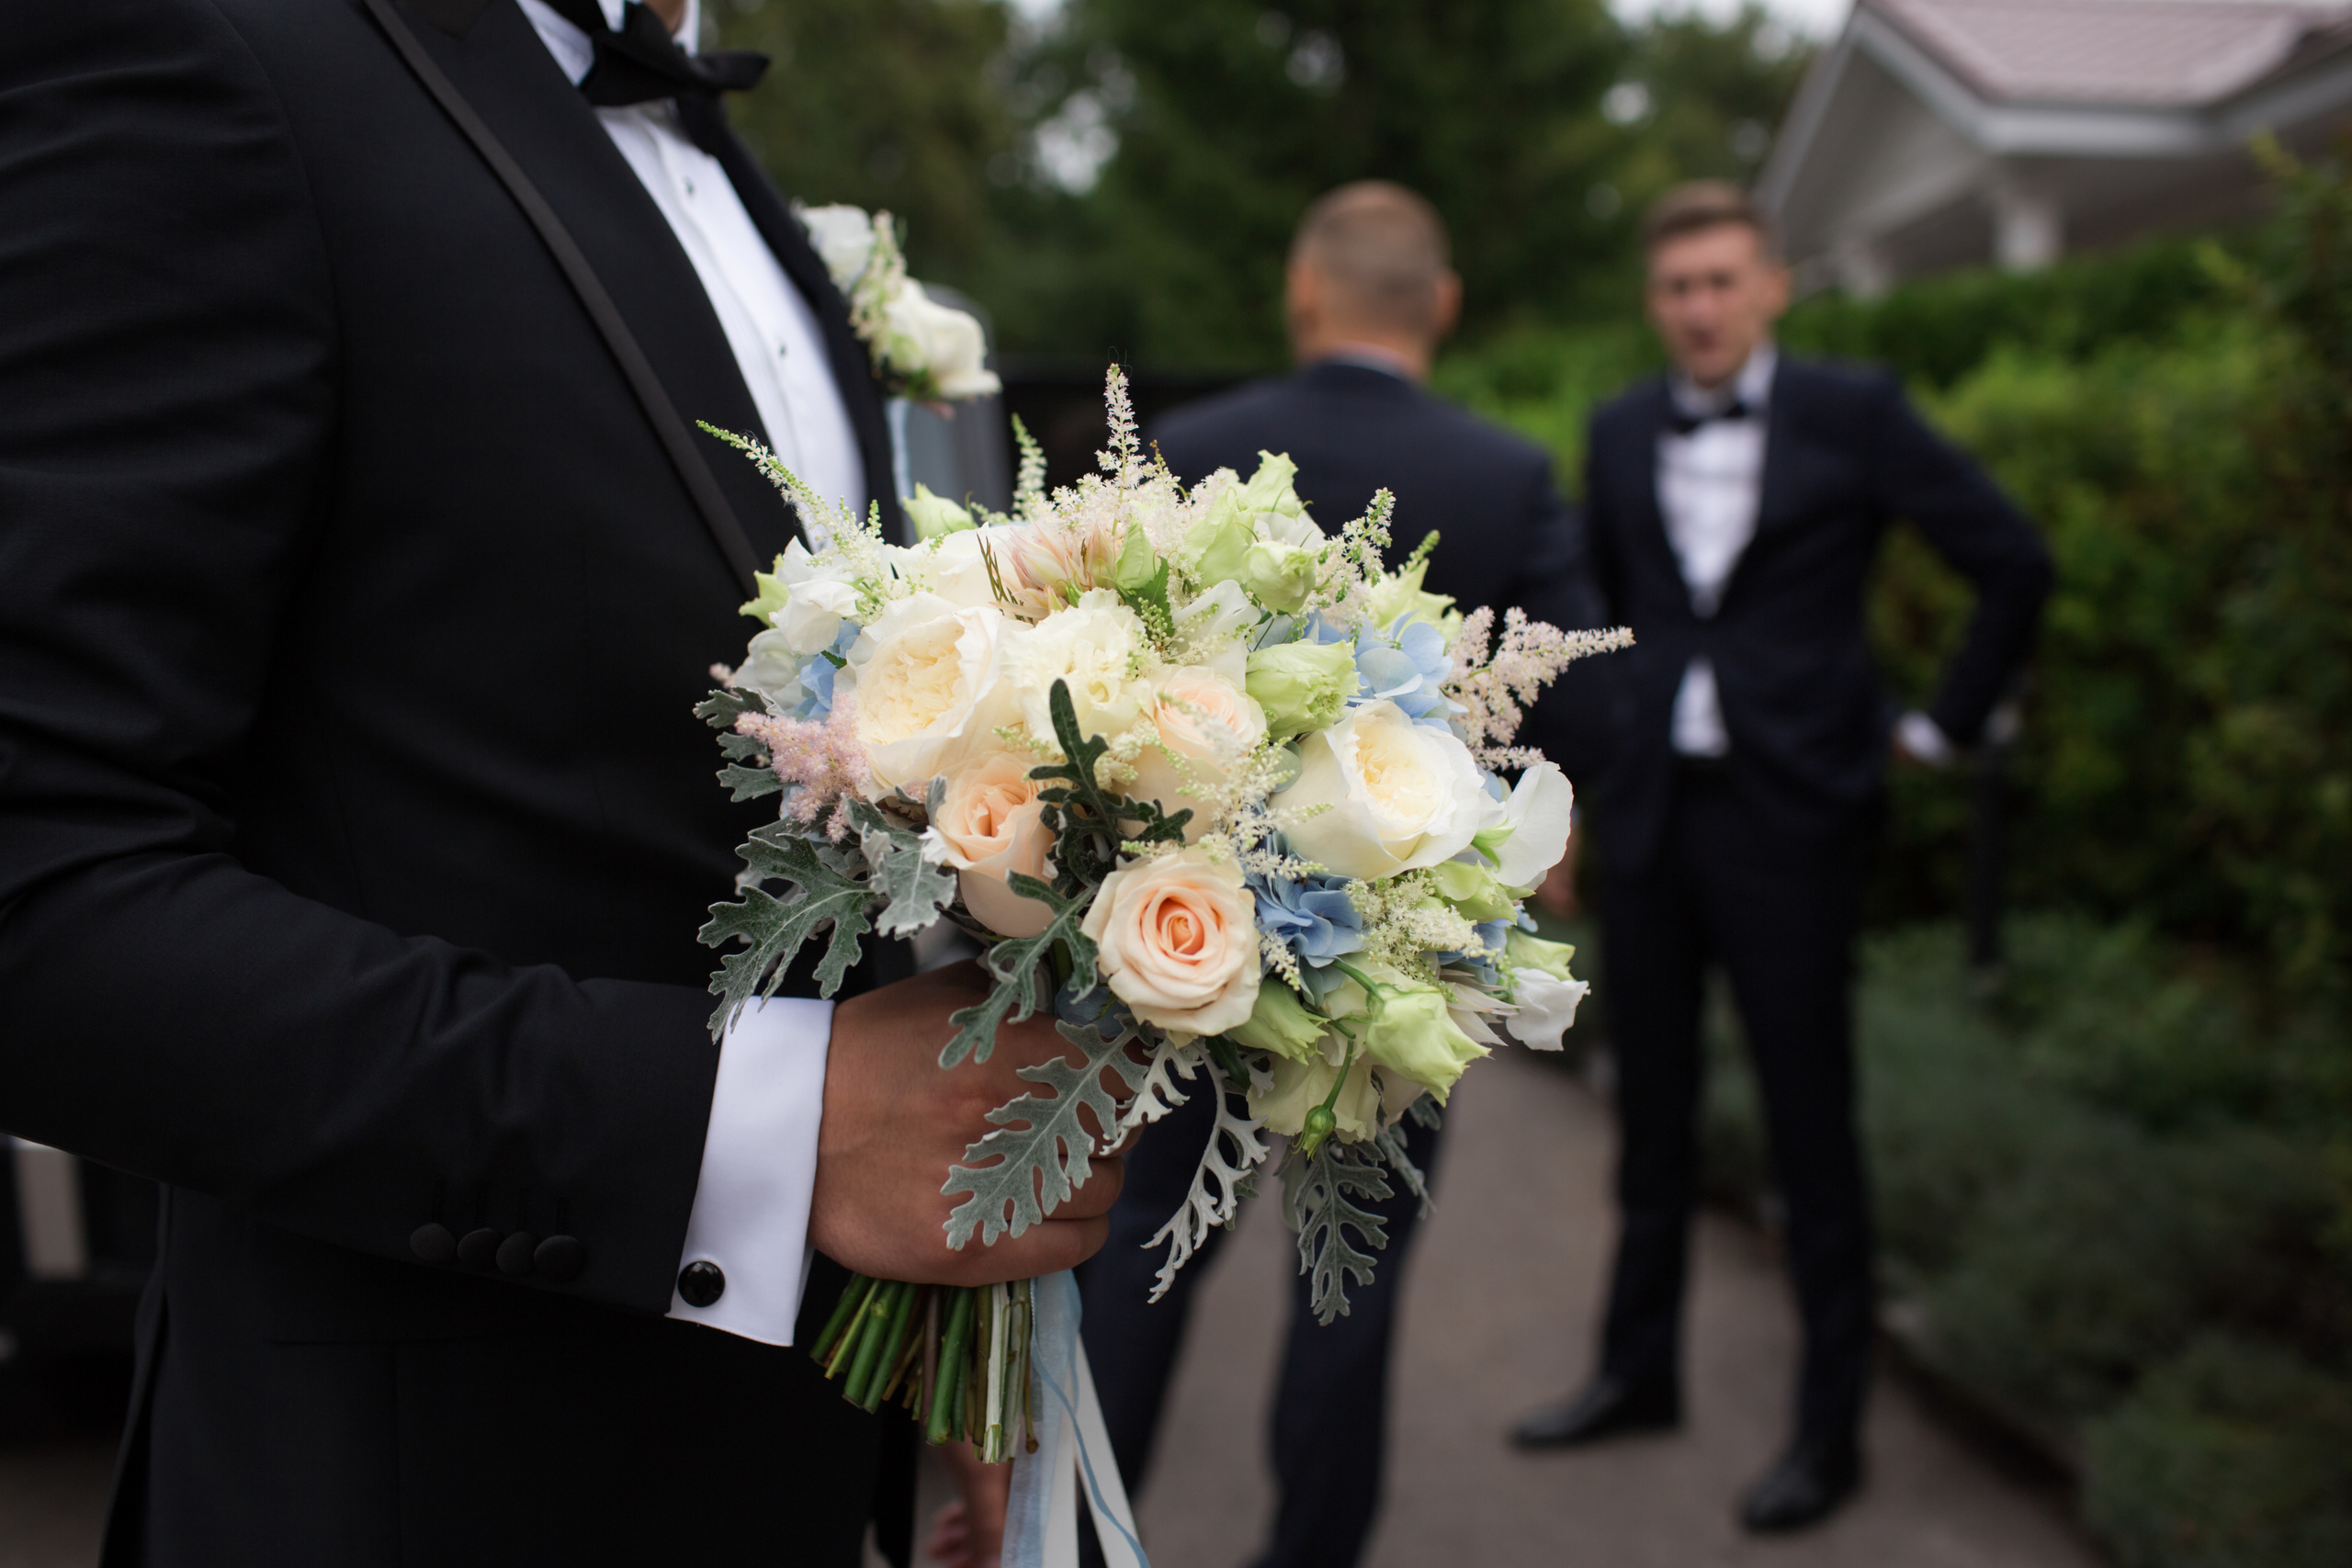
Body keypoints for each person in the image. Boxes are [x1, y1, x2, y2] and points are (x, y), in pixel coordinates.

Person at [0, 3, 1119, 1563]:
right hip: (412, 1493)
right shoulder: (203, 48)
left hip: (788, 1453)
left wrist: (935, 1340)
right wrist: (769, 1135)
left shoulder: (738, 176)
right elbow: (39, 902)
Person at [1061, 181, 1593, 1568]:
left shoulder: (1198, 444)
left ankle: (1072, 1537)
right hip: (1407, 960)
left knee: (1134, 1264)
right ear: (1448, 306)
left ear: (1304, 292)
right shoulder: (1509, 472)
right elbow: (1583, 712)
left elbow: (1106, 683)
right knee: (1348, 1287)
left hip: (1180, 941)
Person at [1508, 182, 2052, 1530]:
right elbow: (1610, 625)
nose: (1698, 305)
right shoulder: (1620, 426)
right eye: (1677, 285)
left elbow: (2012, 560)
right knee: (1652, 1118)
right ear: (1656, 302)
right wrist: (1569, 792)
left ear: (1771, 288)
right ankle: (1636, 1376)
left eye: (1721, 280)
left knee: (1812, 1132)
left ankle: (1831, 1437)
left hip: (1792, 821)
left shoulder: (1856, 414)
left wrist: (1935, 730)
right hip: (1650, 821)